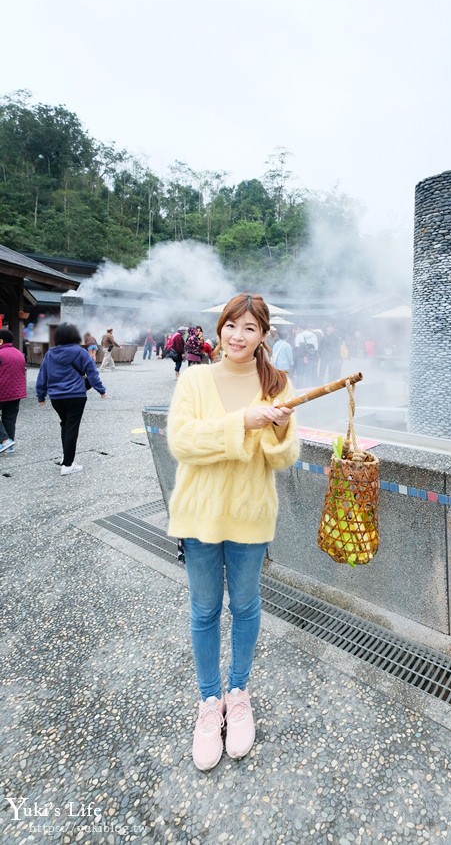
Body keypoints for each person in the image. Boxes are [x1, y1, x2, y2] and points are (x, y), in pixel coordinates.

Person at [167, 292, 299, 771]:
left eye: (249, 328)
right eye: (231, 326)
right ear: (219, 329)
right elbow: (181, 441)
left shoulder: (277, 383)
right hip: (200, 515)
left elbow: (284, 458)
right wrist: (242, 421)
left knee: (245, 605)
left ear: (264, 335)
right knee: (204, 608)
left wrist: (280, 429)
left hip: (250, 514)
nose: (238, 336)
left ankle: (238, 692)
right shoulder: (195, 377)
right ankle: (208, 703)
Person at [36, 323, 107, 475]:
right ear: (75, 335)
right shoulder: (80, 352)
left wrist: (41, 395)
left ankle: (66, 456)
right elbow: (92, 373)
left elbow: (42, 375)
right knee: (72, 427)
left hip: (56, 397)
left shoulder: (50, 354)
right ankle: (68, 465)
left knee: (65, 424)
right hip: (76, 396)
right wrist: (101, 389)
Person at [0, 328, 27, 454]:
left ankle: (5, 440)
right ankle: (9, 444)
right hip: (16, 392)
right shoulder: (19, 353)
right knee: (9, 418)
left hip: (2, 390)